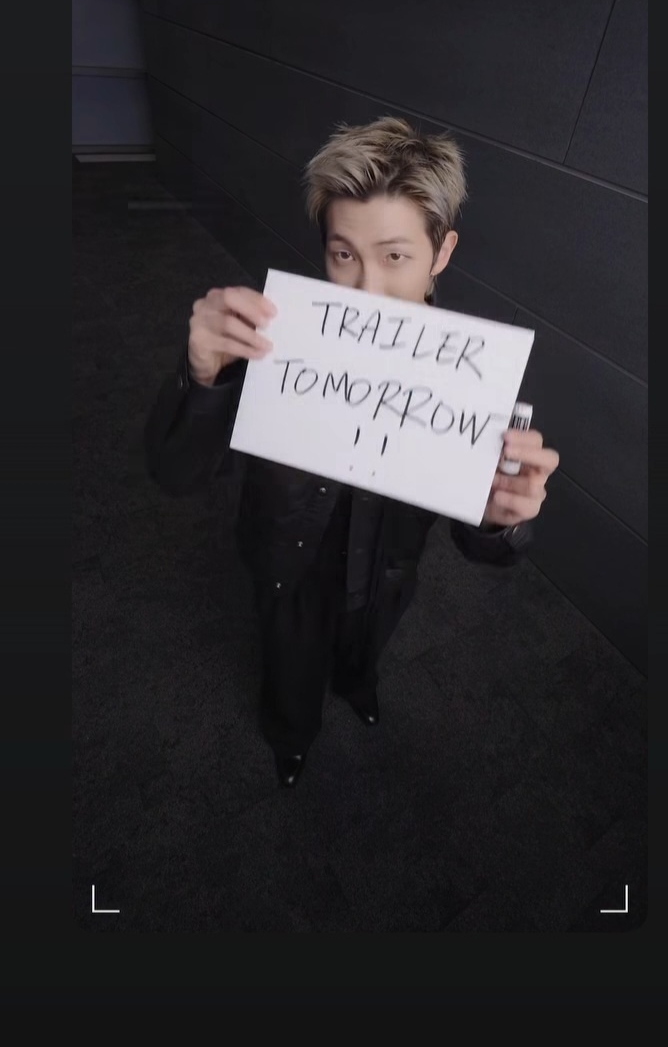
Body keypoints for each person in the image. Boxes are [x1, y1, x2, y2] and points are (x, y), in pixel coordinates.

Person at [144, 116, 560, 787]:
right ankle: (290, 736)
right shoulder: (275, 347)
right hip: (286, 568)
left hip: (386, 574)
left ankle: (358, 687)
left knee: (364, 652)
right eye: (344, 255)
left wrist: (501, 519)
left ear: (441, 252)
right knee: (288, 665)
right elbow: (174, 473)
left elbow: (486, 548)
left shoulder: (473, 380)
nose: (366, 290)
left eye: (394, 257)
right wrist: (201, 377)